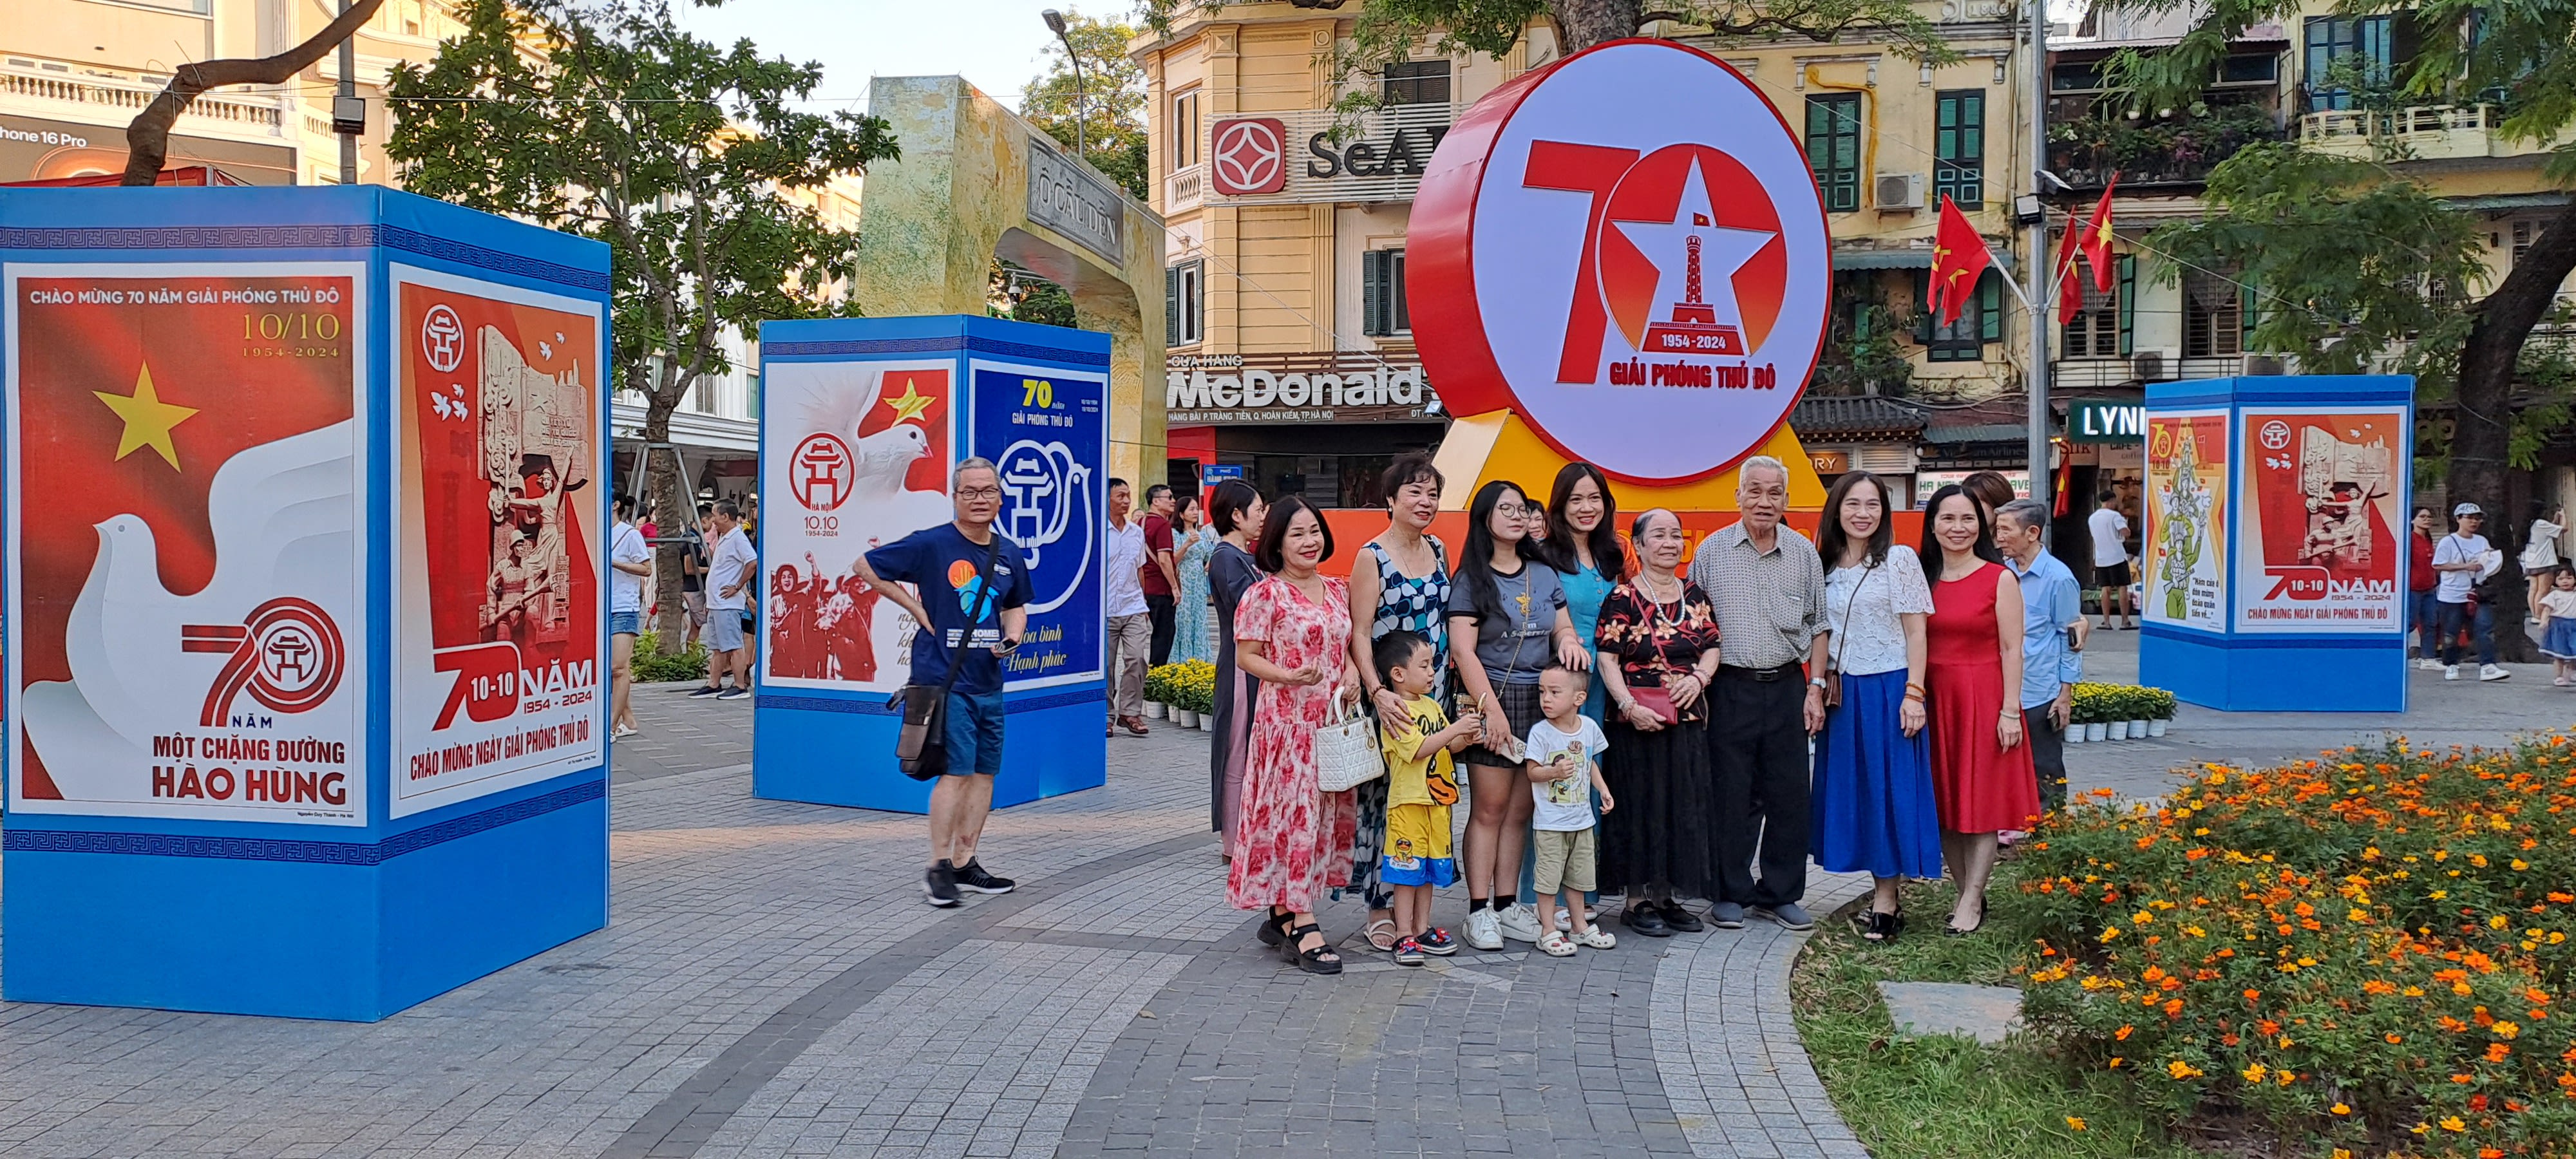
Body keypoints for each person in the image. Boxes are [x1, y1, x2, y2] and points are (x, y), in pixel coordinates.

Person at [849, 459, 1031, 908]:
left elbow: (1015, 606)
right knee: (956, 773)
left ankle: (966, 862)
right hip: (945, 682)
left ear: (1000, 498)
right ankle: (938, 867)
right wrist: (916, 609)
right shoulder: (933, 543)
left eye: (988, 491)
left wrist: (1012, 638)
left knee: (984, 774)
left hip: (988, 682)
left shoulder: (1008, 553)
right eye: (969, 492)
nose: (979, 499)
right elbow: (865, 566)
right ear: (955, 497)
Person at [1687, 456, 1828, 931]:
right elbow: (1694, 625)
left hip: (1787, 685)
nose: (1764, 501)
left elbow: (1820, 625)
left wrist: (1816, 687)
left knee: (1789, 793)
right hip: (1730, 687)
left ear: (1787, 500)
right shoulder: (1712, 551)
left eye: (1774, 493)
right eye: (1755, 491)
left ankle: (1780, 893)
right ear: (1738, 496)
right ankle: (1730, 891)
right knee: (1731, 793)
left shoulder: (1804, 552)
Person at [1449, 479, 1587, 950]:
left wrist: (1569, 643)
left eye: (1522, 509)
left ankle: (1508, 905)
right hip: (1492, 696)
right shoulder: (1471, 578)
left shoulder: (1543, 572)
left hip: (1541, 700)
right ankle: (1478, 911)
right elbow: (1464, 652)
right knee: (1489, 808)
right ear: (1484, 517)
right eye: (1505, 508)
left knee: (1521, 810)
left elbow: (1561, 627)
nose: (1516, 516)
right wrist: (1491, 711)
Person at [1229, 495, 1361, 975]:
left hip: (1331, 727)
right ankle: (1303, 922)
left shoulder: (1337, 589)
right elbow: (1246, 656)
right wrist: (1286, 676)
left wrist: (1352, 672)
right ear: (1277, 543)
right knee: (1295, 821)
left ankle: (1282, 912)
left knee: (1318, 820)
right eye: (1297, 534)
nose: (1309, 542)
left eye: (1314, 531)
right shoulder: (1265, 594)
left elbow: (1347, 645)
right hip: (1287, 729)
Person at [1810, 473, 1940, 942]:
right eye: (1853, 504)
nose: (1862, 514)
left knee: (1889, 792)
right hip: (1843, 696)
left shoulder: (1899, 560)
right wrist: (1815, 687)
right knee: (1857, 794)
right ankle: (1873, 887)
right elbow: (1819, 632)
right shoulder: (1822, 564)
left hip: (1890, 689)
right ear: (1837, 510)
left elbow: (1916, 631)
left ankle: (1888, 900)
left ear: (1884, 512)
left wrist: (1914, 693)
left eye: (1873, 505)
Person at [1596, 509, 1723, 936]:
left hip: (1686, 719)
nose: (1669, 543)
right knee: (1639, 807)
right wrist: (1629, 706)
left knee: (1680, 805)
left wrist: (1700, 678)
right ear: (1639, 544)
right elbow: (1607, 659)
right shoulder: (1622, 597)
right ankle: (1637, 902)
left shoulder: (1694, 594)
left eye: (1675, 535)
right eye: (1659, 535)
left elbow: (1712, 645)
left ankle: (1667, 897)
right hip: (1636, 722)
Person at [1918, 485, 2036, 936]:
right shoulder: (1921, 578)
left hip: (1983, 699)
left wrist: (2010, 710)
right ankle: (1967, 893)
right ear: (1932, 525)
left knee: (1981, 802)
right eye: (1948, 518)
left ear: (1981, 525)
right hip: (1934, 699)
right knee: (1945, 801)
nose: (1958, 528)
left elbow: (2012, 649)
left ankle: (1971, 899)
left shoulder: (1998, 578)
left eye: (1967, 518)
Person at [1346, 453, 1452, 952]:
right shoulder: (1372, 556)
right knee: (1385, 804)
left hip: (1434, 698)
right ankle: (1379, 906)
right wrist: (1377, 691)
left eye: (1432, 493)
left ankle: (1417, 913)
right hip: (1389, 702)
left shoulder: (1439, 549)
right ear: (1391, 499)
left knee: (1426, 799)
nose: (1425, 501)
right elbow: (1360, 632)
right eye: (1414, 491)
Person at [1517, 461, 1624, 917]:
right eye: (1576, 499)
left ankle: (1582, 895)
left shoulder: (1612, 555)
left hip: (1602, 686)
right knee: (1555, 785)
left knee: (1588, 782)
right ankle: (1541, 896)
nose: (1586, 508)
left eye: (1594, 498)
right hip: (1559, 686)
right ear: (1560, 506)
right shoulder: (1543, 556)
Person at [1373, 629, 1479, 966]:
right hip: (1409, 805)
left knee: (1430, 870)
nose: (1432, 672)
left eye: (1432, 664)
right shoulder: (1396, 711)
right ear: (1398, 673)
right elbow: (1419, 749)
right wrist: (1454, 730)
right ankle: (1403, 932)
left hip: (1438, 804)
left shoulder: (1432, 706)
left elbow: (1448, 746)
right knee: (1407, 872)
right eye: (1424, 665)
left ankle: (1422, 927)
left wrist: (1466, 736)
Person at [1996, 498, 2085, 815]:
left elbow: (2070, 638)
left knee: (2045, 769)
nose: (1999, 538)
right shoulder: (2003, 572)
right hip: (2005, 687)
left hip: (2040, 690)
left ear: (2032, 533)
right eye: (1998, 530)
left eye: (2006, 530)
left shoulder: (2059, 578)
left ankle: (2050, 831)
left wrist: (2065, 694)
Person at [1524, 663, 1616, 957]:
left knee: (1579, 876)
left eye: (1554, 692)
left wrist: (1603, 789)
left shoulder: (1589, 728)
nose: (1546, 699)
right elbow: (1532, 772)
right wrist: (1553, 772)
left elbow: (1589, 763)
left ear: (1579, 698)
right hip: (1551, 823)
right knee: (1548, 879)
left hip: (1582, 821)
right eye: (1542, 692)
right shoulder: (1541, 733)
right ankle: (1548, 930)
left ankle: (1579, 926)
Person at [1208, 482, 1268, 856]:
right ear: (1236, 515)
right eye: (1258, 509)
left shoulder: (1246, 556)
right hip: (1239, 668)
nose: (1263, 517)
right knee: (1236, 748)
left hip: (1252, 665)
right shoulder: (1227, 558)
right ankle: (1233, 838)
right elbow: (1252, 609)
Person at [2433, 502, 2508, 682]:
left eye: (2477, 518)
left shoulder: (2481, 541)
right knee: (2451, 633)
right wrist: (2465, 566)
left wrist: (2490, 560)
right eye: (2470, 518)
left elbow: (2489, 559)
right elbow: (2438, 565)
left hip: (2477, 592)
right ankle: (2451, 664)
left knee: (2485, 629)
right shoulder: (2448, 542)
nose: (2474, 522)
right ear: (2458, 519)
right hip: (2452, 594)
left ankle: (2488, 665)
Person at [1104, 478, 1153, 736]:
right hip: (1105, 610)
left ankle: (1130, 712)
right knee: (1106, 665)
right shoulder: (1098, 532)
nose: (1126, 501)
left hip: (1133, 606)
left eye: (1128, 495)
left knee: (1136, 659)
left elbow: (1139, 569)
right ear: (1106, 498)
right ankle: (1105, 715)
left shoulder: (1136, 532)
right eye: (1120, 496)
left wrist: (1143, 603)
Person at [699, 500, 757, 701]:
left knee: (733, 645)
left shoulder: (738, 538)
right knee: (717, 647)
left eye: (715, 515)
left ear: (725, 517)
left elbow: (752, 562)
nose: (713, 520)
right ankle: (713, 684)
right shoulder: (725, 537)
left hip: (727, 603)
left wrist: (738, 586)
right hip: (716, 603)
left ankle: (740, 685)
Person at [608, 495, 652, 739]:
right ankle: (629, 720)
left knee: (618, 667)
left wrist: (614, 563)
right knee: (611, 670)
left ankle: (611, 726)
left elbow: (646, 568)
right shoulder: (596, 532)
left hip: (623, 606)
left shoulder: (630, 534)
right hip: (600, 608)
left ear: (616, 505)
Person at [1172, 495, 1217, 664]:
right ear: (1181, 514)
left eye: (1196, 509)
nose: (1195, 512)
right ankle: (1181, 660)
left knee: (1199, 617)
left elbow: (1210, 553)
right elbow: (1173, 560)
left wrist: (1210, 562)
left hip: (1198, 581)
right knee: (1183, 619)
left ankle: (1199, 660)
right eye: (1191, 509)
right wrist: (1187, 544)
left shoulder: (1202, 534)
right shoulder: (1175, 534)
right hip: (1183, 579)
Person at [1142, 484, 1183, 665]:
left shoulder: (1139, 523)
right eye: (1170, 497)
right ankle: (1157, 674)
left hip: (1143, 588)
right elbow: (1165, 560)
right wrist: (1174, 587)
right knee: (1163, 634)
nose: (1174, 501)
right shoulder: (1162, 525)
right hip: (1161, 589)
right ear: (1156, 501)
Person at [2087, 489, 2134, 630]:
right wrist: (2127, 531)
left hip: (2101, 558)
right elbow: (2125, 532)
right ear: (2112, 501)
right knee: (2122, 587)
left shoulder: (2092, 518)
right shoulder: (2115, 516)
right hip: (2117, 556)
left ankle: (2106, 622)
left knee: (2105, 589)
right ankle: (2125, 621)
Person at [2410, 507, 2443, 668]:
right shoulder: (2410, 539)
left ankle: (2428, 659)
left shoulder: (2428, 540)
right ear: (2413, 520)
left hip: (2429, 588)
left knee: (2431, 623)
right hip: (2413, 588)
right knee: (2409, 623)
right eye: (2422, 516)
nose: (2427, 519)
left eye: (2429, 517)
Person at [2526, 504, 2566, 622]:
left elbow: (2550, 530)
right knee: (2543, 590)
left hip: (2532, 561)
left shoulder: (2530, 524)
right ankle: (2539, 615)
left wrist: (2555, 519)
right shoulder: (2541, 523)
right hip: (2544, 561)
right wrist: (2563, 515)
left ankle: (2534, 614)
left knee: (2533, 589)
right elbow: (2564, 529)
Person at [2539, 568, 2576, 685]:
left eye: (2569, 578)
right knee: (2559, 655)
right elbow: (2547, 609)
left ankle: (2572, 672)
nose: (2565, 581)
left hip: (2574, 626)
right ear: (2555, 581)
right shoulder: (2554, 595)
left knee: (2574, 652)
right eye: (2561, 579)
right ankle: (2559, 676)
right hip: (2558, 626)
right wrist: (2544, 621)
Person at [683, 502, 712, 651]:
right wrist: (710, 570)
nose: (713, 526)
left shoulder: (697, 538)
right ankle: (692, 656)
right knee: (697, 625)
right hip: (692, 587)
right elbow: (689, 569)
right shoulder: (690, 539)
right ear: (704, 520)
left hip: (693, 586)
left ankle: (693, 656)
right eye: (712, 522)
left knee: (696, 626)